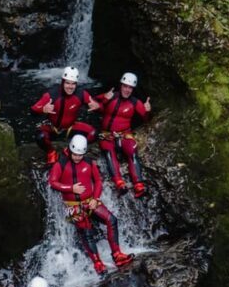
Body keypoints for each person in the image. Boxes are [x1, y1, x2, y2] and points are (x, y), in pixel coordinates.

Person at [49, 135, 134, 273]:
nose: (77, 157)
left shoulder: (89, 162)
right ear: (70, 151)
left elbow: (98, 182)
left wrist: (95, 198)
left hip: (90, 201)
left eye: (80, 155)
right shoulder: (61, 164)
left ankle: (117, 254)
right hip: (72, 206)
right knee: (85, 230)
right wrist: (71, 188)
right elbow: (52, 182)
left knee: (111, 220)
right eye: (75, 154)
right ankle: (97, 263)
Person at [95, 72, 151, 198]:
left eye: (130, 87)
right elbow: (93, 103)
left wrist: (147, 111)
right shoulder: (111, 96)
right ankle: (119, 183)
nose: (127, 89)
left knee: (132, 150)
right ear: (121, 85)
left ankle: (138, 185)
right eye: (125, 86)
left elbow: (145, 119)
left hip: (124, 135)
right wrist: (105, 99)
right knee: (109, 152)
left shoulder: (135, 103)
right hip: (107, 135)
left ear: (133, 89)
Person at [30, 66, 100, 164]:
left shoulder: (81, 94)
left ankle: (69, 150)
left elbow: (97, 106)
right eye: (67, 83)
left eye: (73, 84)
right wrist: (43, 109)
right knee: (40, 136)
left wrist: (98, 106)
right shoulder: (52, 94)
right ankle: (51, 152)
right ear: (63, 82)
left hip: (70, 128)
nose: (70, 87)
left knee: (94, 133)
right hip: (52, 128)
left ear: (76, 84)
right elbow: (33, 111)